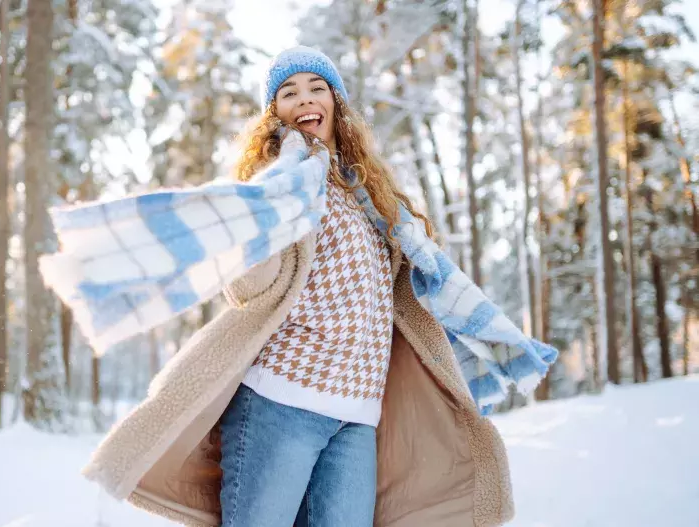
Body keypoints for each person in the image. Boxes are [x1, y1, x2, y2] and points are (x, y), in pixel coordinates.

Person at [75, 47, 552, 527]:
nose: (304, 98)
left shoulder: (368, 195)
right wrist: (258, 219)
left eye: (316, 87)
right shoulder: (286, 187)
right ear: (275, 114)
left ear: (335, 104)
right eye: (288, 92)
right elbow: (248, 289)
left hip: (358, 415)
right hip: (281, 400)